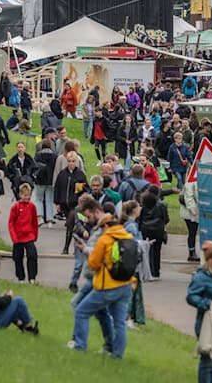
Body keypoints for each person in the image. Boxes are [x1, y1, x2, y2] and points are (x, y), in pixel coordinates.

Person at [69, 213, 136, 359]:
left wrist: (85, 250)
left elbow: (93, 263)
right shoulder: (128, 237)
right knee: (119, 322)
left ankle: (80, 346)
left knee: (81, 311)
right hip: (125, 285)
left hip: (107, 286)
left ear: (105, 226)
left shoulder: (104, 240)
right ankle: (117, 354)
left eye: (101, 227)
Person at [187, 241, 212, 383]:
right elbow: (191, 297)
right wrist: (208, 303)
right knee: (208, 360)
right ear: (210, 258)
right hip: (206, 322)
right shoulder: (201, 277)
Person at [54, 151, 88, 255]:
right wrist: (57, 203)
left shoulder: (80, 174)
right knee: (70, 225)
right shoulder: (62, 173)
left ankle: (69, 248)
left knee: (72, 224)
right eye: (69, 161)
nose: (71, 163)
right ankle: (67, 247)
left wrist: (80, 188)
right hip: (65, 203)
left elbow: (85, 189)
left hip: (75, 204)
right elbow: (57, 188)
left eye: (73, 161)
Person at [8, 183, 39, 284]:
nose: (26, 197)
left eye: (28, 195)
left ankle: (32, 277)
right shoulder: (16, 207)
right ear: (20, 195)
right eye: (24, 195)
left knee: (32, 255)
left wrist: (35, 235)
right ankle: (21, 277)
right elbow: (11, 222)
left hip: (29, 236)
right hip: (18, 236)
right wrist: (14, 237)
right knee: (17, 257)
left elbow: (34, 221)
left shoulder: (32, 207)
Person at [139, 185, 170, 279]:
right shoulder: (162, 205)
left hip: (145, 228)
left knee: (146, 250)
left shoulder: (143, 203)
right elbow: (166, 219)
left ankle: (146, 270)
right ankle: (155, 271)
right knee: (157, 251)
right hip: (158, 229)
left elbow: (140, 217)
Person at [32, 139, 58, 225]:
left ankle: (40, 217)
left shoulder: (38, 155)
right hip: (50, 181)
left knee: (39, 199)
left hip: (40, 180)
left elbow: (34, 167)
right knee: (49, 200)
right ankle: (50, 220)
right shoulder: (55, 156)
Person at [181, 181, 201, 262]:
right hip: (190, 213)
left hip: (196, 212)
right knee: (192, 232)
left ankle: (193, 252)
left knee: (194, 232)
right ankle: (192, 253)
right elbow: (188, 197)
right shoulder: (190, 182)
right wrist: (193, 210)